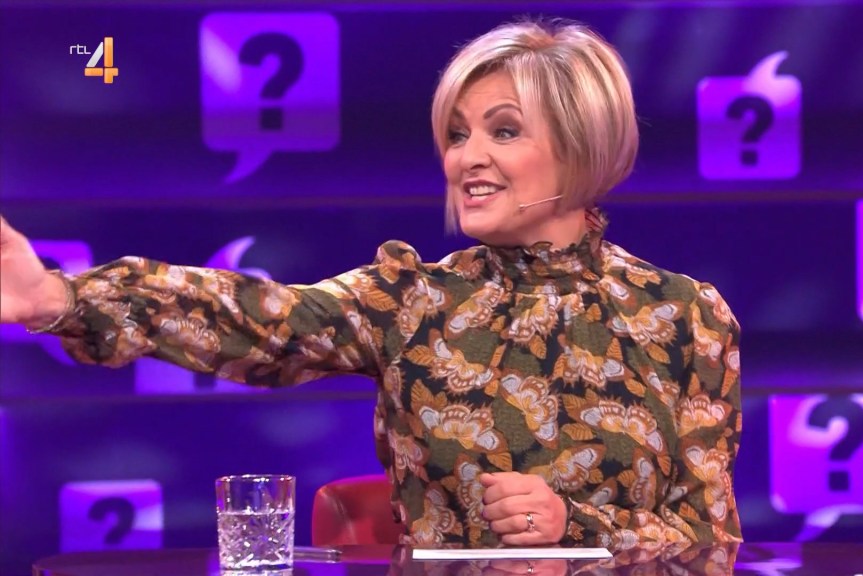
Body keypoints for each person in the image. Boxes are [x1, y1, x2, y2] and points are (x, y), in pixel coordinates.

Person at [0, 19, 742, 550]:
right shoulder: (411, 301)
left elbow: (709, 543)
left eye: (503, 130)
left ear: (583, 143)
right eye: (457, 133)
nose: (466, 158)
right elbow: (259, 320)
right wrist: (59, 299)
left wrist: (576, 529)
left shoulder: (686, 317)